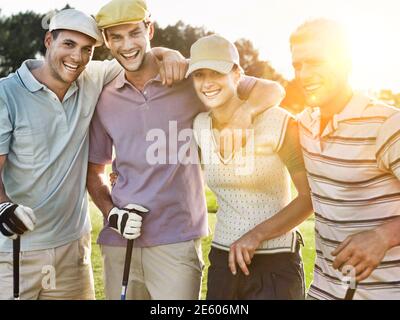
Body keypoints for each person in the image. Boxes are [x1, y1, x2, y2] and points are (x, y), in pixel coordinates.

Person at [87, 0, 285, 300]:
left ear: (149, 30)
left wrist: (245, 114)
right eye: (116, 37)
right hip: (119, 243)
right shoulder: (103, 96)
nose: (127, 45)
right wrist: (112, 214)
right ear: (106, 41)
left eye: (134, 33)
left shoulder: (191, 79)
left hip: (176, 242)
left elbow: (273, 90)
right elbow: (95, 172)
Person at [0, 8, 186, 300]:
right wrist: (2, 206)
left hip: (73, 248)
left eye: (87, 49)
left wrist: (168, 53)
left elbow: (139, 56)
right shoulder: (6, 93)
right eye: (69, 45)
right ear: (49, 40)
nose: (77, 57)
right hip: (13, 251)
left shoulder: (92, 77)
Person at [188, 34, 313, 300]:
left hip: (276, 264)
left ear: (237, 75)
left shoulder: (279, 121)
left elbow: (308, 198)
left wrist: (256, 236)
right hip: (223, 260)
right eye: (199, 75)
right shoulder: (198, 125)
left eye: (217, 73)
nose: (207, 83)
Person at [291, 19, 400, 300]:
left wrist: (384, 236)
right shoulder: (303, 124)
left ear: (346, 62)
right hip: (324, 290)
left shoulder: (387, 125)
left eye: (315, 62)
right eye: (297, 65)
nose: (303, 74)